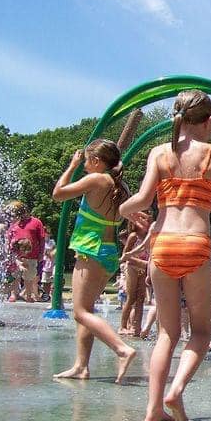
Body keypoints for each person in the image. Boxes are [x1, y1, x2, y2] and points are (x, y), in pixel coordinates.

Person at [119, 89, 211, 421]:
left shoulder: (159, 153)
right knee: (200, 332)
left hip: (163, 245)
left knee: (166, 334)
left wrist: (124, 210)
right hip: (195, 244)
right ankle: (177, 390)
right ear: (209, 121)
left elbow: (141, 201)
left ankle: (153, 409)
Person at [51, 139, 137, 383]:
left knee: (79, 312)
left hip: (91, 249)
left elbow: (58, 194)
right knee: (87, 309)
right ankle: (81, 366)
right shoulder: (120, 186)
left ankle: (122, 349)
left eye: (87, 161)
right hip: (108, 251)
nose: (85, 165)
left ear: (96, 161)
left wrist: (71, 166)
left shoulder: (97, 179)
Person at [5, 201, 46, 303]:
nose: (16, 216)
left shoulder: (36, 222)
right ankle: (14, 294)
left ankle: (28, 295)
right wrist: (8, 251)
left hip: (32, 255)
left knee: (29, 277)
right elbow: (8, 237)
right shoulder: (14, 223)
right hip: (16, 256)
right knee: (15, 276)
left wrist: (41, 253)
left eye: (17, 213)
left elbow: (42, 239)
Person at [118, 219, 150, 336]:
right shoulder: (133, 236)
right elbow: (125, 256)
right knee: (131, 297)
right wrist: (143, 263)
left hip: (143, 269)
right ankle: (122, 326)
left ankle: (136, 327)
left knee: (141, 299)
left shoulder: (149, 236)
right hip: (132, 267)